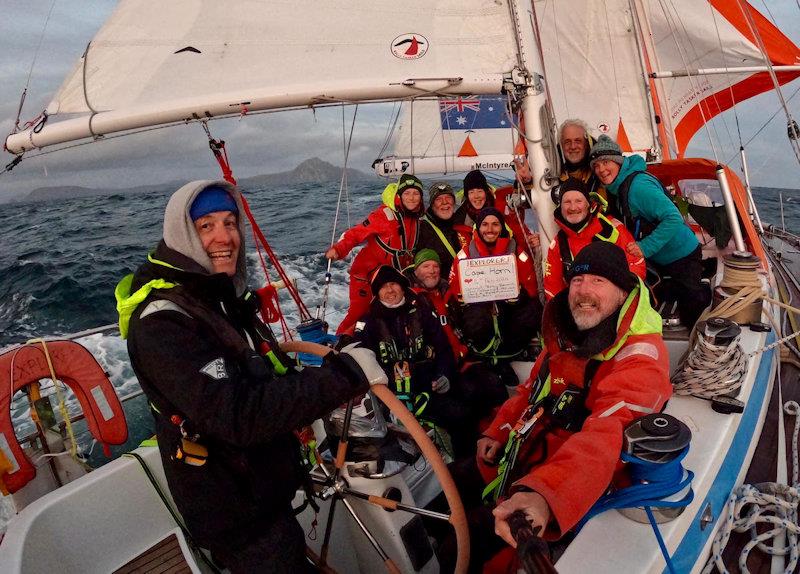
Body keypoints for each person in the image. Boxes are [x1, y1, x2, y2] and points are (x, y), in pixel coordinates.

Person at [116, 181, 389, 573]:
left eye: (230, 223)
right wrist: (346, 375)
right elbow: (239, 416)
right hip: (236, 515)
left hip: (264, 491)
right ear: (181, 234)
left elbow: (261, 370)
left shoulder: (218, 297)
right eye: (206, 226)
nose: (224, 237)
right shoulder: (162, 325)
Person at [446, 241, 671, 571]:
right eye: (578, 281)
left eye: (598, 281)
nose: (583, 291)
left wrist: (545, 496)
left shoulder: (641, 358)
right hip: (518, 457)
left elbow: (606, 437)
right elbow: (529, 391)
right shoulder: (566, 336)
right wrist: (497, 430)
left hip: (560, 481)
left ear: (623, 293)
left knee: (462, 545)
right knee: (447, 488)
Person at [354, 265, 476, 456]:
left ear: (403, 287)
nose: (390, 290)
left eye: (393, 284)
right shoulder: (367, 324)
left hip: (428, 389)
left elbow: (444, 349)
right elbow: (361, 363)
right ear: (377, 293)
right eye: (383, 287)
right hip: (391, 397)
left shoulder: (422, 312)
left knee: (462, 414)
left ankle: (462, 466)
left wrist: (444, 376)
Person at [589, 134, 711, 327]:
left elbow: (673, 218)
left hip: (682, 254)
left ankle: (702, 293)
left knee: (692, 309)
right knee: (654, 292)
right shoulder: (616, 188)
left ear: (618, 162)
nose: (601, 169)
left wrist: (644, 248)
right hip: (660, 257)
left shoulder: (638, 187)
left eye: (606, 162)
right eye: (596, 165)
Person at [325, 173, 425, 336]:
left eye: (416, 193)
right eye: (407, 193)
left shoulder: (416, 219)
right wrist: (338, 249)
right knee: (359, 314)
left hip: (392, 278)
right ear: (399, 195)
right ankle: (339, 347)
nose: (412, 198)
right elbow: (357, 233)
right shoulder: (384, 215)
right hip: (365, 276)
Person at [544, 177, 645, 299]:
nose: (573, 207)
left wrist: (620, 299)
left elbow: (636, 264)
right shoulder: (558, 243)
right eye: (567, 202)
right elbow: (552, 288)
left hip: (615, 304)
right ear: (560, 207)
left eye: (578, 201)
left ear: (588, 204)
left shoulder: (612, 228)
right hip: (579, 307)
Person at [407, 248, 466, 360]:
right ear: (415, 271)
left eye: (436, 266)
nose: (432, 271)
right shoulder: (409, 298)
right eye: (426, 266)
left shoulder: (449, 292)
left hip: (461, 359)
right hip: (431, 364)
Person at [415, 182, 462, 278]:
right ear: (432, 205)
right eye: (438, 199)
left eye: (448, 197)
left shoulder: (462, 222)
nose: (444, 202)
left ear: (454, 202)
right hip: (441, 288)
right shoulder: (421, 230)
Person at [558, 119, 606, 201]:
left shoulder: (602, 169)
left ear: (586, 144)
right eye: (567, 142)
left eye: (578, 141)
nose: (573, 146)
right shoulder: (551, 172)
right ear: (560, 146)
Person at [452, 169, 495, 248]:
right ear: (467, 196)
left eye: (479, 191)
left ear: (486, 192)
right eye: (471, 192)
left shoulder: (500, 209)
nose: (476, 196)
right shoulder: (459, 219)